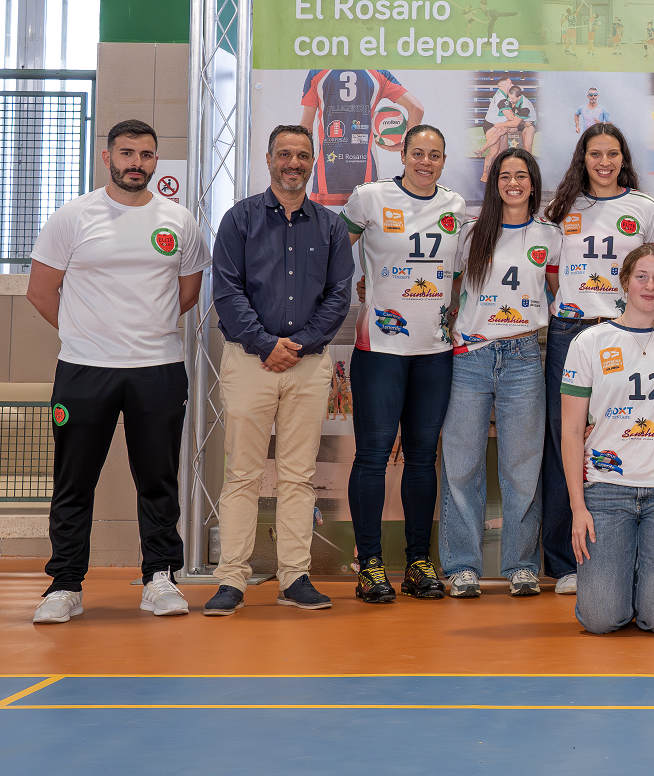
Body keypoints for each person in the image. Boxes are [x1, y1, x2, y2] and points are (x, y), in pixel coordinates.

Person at [29, 120, 211, 624]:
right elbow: (41, 292)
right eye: (127, 153)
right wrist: (87, 334)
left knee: (158, 480)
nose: (137, 163)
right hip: (85, 370)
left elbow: (187, 294)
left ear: (155, 161)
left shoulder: (179, 220)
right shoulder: (73, 217)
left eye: (146, 155)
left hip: (158, 370)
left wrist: (141, 331)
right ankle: (65, 585)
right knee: (74, 481)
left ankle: (160, 579)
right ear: (107, 157)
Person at [201, 126, 353, 617]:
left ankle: (294, 577)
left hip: (308, 366)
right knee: (242, 474)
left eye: (302, 155)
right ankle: (231, 579)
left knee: (298, 476)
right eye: (284, 153)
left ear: (313, 162)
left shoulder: (330, 226)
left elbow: (339, 296)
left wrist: (299, 345)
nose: (293, 162)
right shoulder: (239, 219)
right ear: (268, 159)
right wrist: (267, 345)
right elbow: (226, 290)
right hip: (250, 362)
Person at [342, 125, 463, 604]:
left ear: (444, 160)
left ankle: (417, 562)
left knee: (422, 458)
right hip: (380, 349)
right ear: (403, 154)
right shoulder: (369, 197)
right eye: (418, 153)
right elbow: (333, 250)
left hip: (434, 350)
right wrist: (356, 287)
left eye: (435, 155)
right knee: (372, 457)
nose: (425, 162)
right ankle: (370, 565)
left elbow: (459, 274)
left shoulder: (455, 206)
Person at [542, 123, 654, 595]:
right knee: (564, 440)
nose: (604, 162)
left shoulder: (644, 208)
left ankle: (627, 557)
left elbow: (653, 273)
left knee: (623, 434)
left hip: (624, 332)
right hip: (570, 331)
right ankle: (563, 562)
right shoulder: (562, 207)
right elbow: (552, 273)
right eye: (595, 154)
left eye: (613, 154)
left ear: (623, 158)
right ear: (583, 158)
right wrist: (579, 307)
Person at [561, 245, 654, 632]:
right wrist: (578, 507)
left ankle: (647, 584)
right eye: (641, 276)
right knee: (600, 620)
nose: (649, 285)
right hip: (607, 491)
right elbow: (570, 430)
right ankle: (628, 581)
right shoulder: (589, 342)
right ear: (624, 281)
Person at [442, 148, 560, 599]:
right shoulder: (471, 233)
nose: (513, 183)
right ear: (494, 183)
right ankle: (462, 566)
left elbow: (557, 292)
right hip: (471, 356)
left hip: (524, 355)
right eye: (505, 175)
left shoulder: (550, 235)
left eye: (521, 175)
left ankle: (521, 566)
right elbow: (449, 286)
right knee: (462, 465)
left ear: (533, 182)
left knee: (522, 466)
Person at [299, 67, 426, 206]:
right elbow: (417, 108)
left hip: (326, 179)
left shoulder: (317, 73)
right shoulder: (378, 73)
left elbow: (306, 129)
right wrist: (407, 146)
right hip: (366, 181)